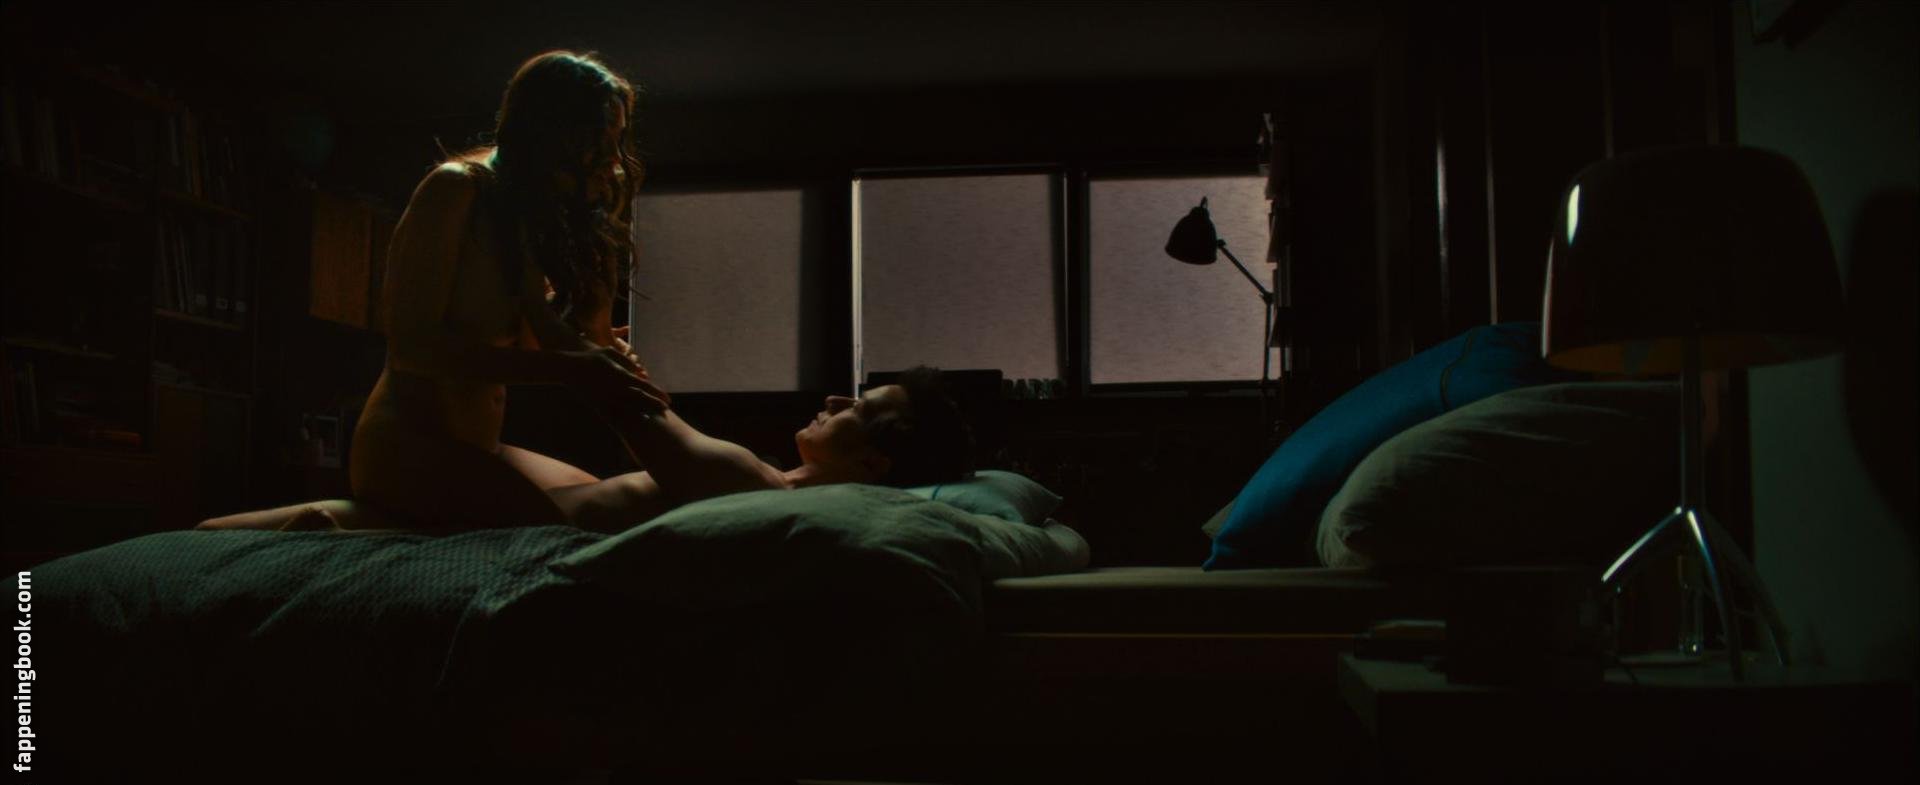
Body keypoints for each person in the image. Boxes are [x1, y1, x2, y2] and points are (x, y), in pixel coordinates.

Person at [200, 366, 978, 533]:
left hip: (514, 518)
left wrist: (583, 343)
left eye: (858, 408)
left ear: (874, 463)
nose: (836, 399)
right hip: (530, 498)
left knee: (445, 363)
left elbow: (629, 409)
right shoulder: (761, 480)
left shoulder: (759, 488)